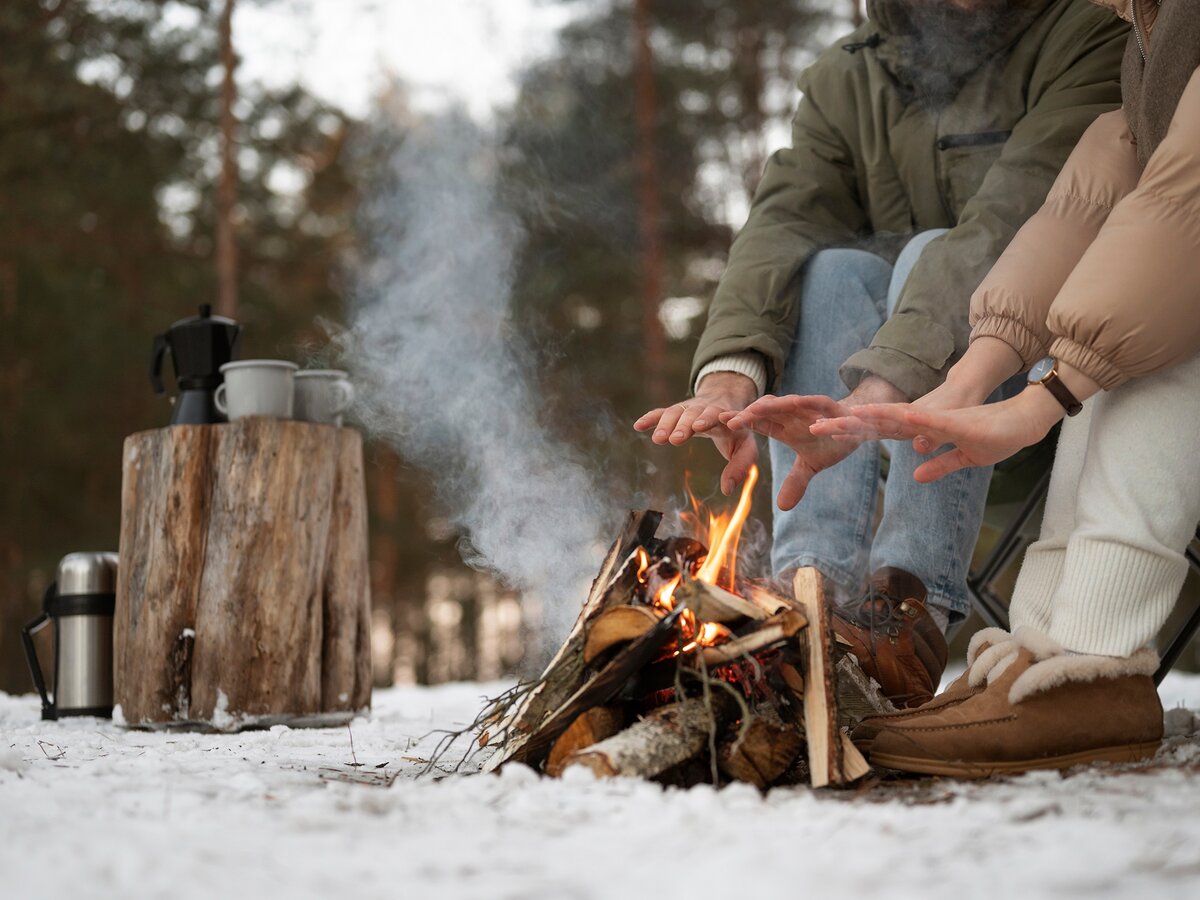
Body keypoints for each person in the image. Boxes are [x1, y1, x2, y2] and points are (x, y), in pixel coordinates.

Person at [635, 0, 1127, 707]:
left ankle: (905, 608)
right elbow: (783, 221)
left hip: (1042, 394)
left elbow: (1011, 222)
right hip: (891, 403)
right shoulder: (850, 75)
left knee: (930, 251)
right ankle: (812, 600)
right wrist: (728, 377)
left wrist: (883, 386)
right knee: (830, 271)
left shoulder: (1086, 35)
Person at [804, 0, 1200, 775]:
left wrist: (1040, 401)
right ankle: (1046, 657)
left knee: (1150, 352)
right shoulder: (1147, 33)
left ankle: (1095, 661)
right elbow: (1095, 192)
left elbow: (1179, 214)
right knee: (1101, 353)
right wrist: (971, 377)